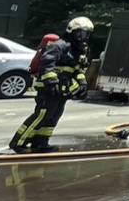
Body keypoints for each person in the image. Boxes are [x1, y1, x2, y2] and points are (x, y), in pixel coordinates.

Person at [9, 16, 92, 153]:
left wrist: (82, 83)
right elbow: (47, 64)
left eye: (86, 34)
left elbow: (77, 69)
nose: (83, 37)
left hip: (62, 90)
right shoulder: (58, 45)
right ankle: (18, 142)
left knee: (54, 117)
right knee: (41, 115)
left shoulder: (78, 50)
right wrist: (51, 83)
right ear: (71, 31)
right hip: (48, 89)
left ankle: (41, 142)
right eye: (80, 33)